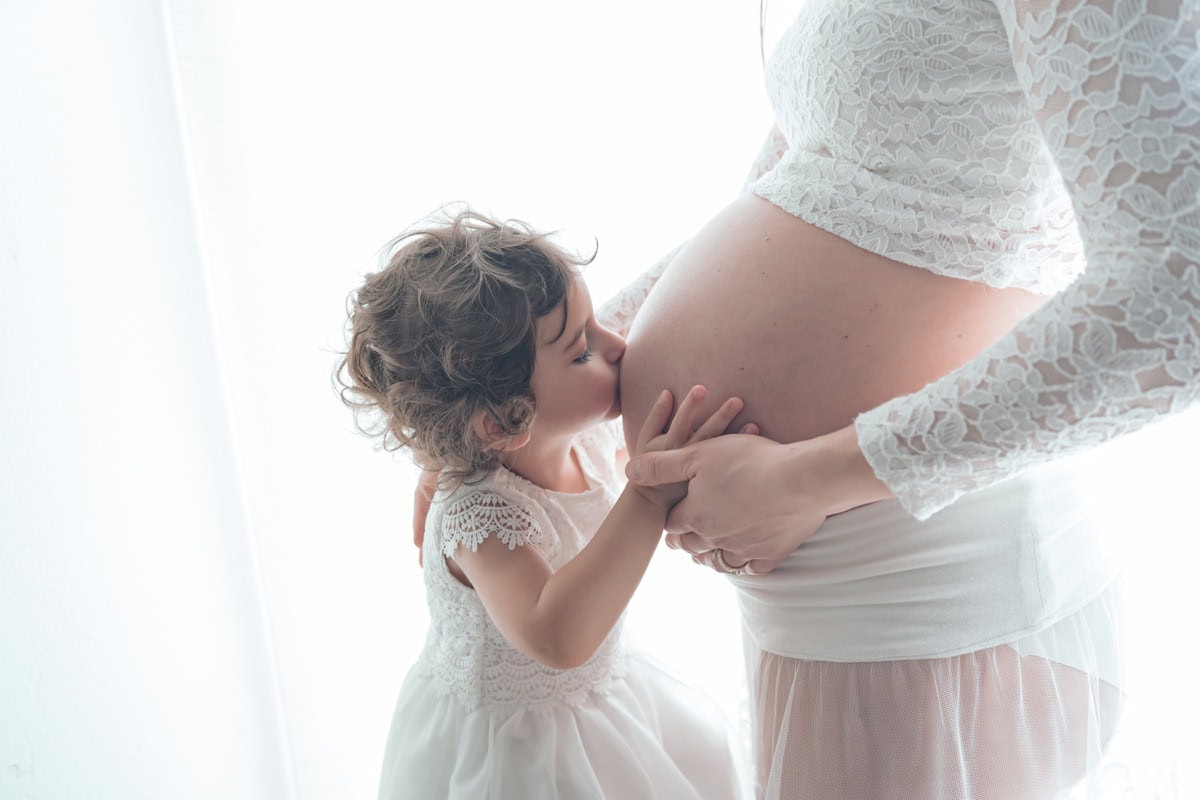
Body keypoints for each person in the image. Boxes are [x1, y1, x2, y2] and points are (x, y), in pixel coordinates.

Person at [597, 1, 1198, 798]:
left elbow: (1175, 304)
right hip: (831, 596)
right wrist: (536, 387)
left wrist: (797, 479)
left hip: (931, 583)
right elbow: (811, 181)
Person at [336, 208, 749, 799]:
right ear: (505, 421)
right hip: (516, 757)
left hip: (604, 702)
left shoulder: (572, 425)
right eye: (584, 351)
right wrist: (648, 492)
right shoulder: (479, 516)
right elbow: (556, 635)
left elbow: (653, 287)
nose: (617, 343)